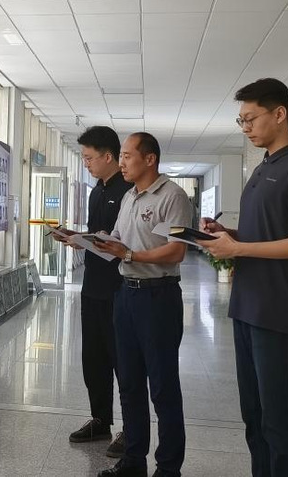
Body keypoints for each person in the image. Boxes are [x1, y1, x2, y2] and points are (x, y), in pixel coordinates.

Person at [198, 78, 288, 477]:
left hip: (279, 313)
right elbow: (265, 234)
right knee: (254, 418)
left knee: (281, 422)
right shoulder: (262, 168)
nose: (246, 127)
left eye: (251, 118)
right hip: (247, 308)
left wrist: (238, 249)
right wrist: (226, 236)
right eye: (241, 121)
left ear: (280, 113)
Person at [94, 132, 191, 477]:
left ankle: (168, 468)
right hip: (127, 295)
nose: (121, 162)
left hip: (158, 297)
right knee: (130, 383)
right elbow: (119, 239)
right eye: (120, 156)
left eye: (127, 156)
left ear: (150, 159)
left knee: (163, 387)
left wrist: (130, 254)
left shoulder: (173, 196)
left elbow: (176, 250)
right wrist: (92, 242)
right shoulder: (129, 197)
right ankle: (133, 460)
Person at [50, 126, 131, 458]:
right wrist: (77, 238)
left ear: (108, 156)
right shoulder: (97, 191)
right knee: (94, 359)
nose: (86, 164)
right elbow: (99, 234)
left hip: (119, 288)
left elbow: (125, 241)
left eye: (89, 158)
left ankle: (131, 429)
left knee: (122, 360)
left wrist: (93, 241)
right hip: (93, 286)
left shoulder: (128, 191)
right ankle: (100, 420)